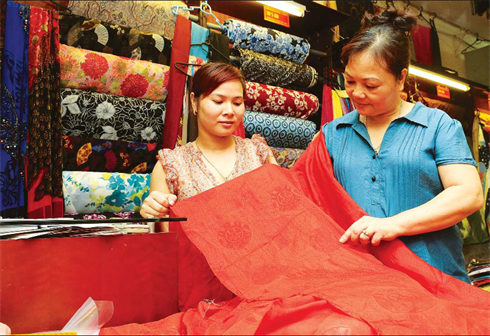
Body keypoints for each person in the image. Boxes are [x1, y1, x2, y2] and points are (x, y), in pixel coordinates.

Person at [323, 8, 483, 282]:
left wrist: (393, 224)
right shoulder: (333, 134)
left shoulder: (437, 126)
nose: (357, 93)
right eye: (349, 81)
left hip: (434, 279)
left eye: (371, 86)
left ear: (400, 78)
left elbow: (468, 194)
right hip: (363, 283)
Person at [140, 62, 277, 221]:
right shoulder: (172, 166)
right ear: (194, 101)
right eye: (218, 101)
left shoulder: (258, 153)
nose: (229, 111)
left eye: (237, 103)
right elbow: (167, 233)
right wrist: (154, 214)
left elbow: (284, 212)